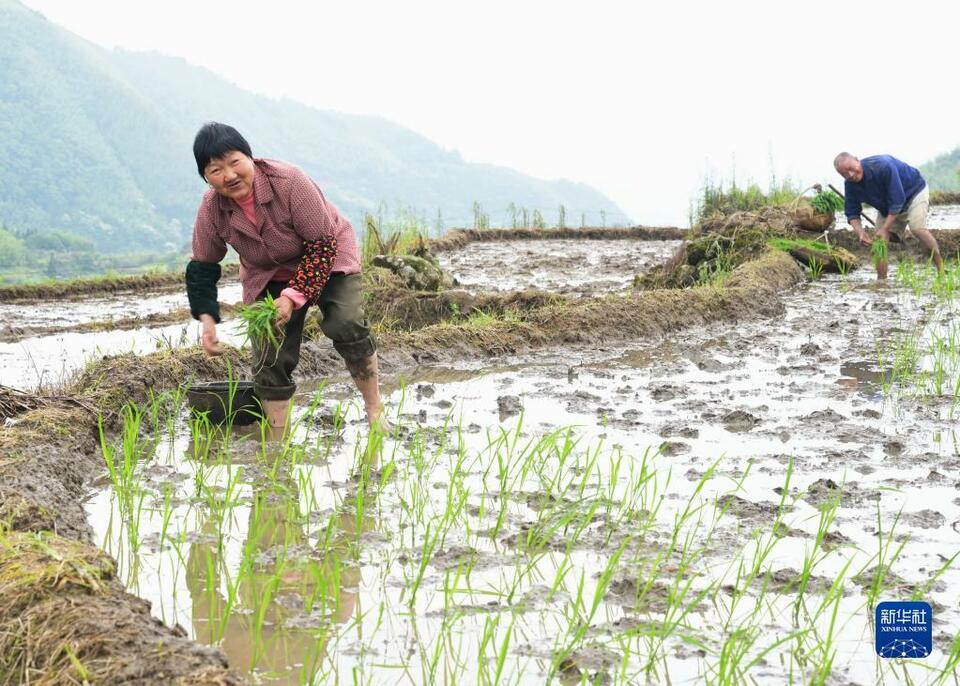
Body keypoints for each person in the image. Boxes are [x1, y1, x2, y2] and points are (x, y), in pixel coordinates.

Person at [186, 122, 389, 433]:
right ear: (206, 177)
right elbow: (203, 265)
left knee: (345, 322)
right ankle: (278, 438)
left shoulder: (289, 181)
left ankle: (375, 410)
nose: (229, 175)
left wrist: (293, 296)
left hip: (327, 256)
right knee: (269, 351)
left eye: (235, 162)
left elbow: (322, 244)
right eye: (215, 170)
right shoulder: (212, 208)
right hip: (266, 272)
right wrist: (208, 319)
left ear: (250, 158)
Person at [833, 152, 943, 279]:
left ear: (857, 161)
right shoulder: (850, 185)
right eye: (844, 174)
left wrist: (885, 228)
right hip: (887, 206)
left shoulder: (883, 166)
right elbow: (852, 213)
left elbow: (897, 200)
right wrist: (860, 233)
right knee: (880, 241)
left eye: (851, 169)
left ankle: (940, 268)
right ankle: (881, 281)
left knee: (917, 229)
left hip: (914, 193)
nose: (850, 175)